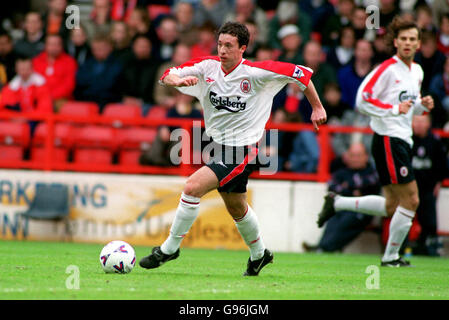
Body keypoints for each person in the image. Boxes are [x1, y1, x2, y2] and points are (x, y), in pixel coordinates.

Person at [139, 21, 327, 276]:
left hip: (243, 149)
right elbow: (168, 74)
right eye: (220, 44)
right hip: (217, 145)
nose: (222, 50)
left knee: (192, 187)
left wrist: (317, 107)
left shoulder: (256, 73)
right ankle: (260, 255)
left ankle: (170, 248)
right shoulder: (207, 67)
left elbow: (301, 74)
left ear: (243, 48)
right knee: (237, 207)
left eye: (229, 45)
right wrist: (176, 81)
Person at [316, 16, 434, 267]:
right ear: (395, 42)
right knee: (411, 200)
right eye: (403, 38)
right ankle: (391, 257)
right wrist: (393, 109)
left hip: (402, 139)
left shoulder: (417, 71)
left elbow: (409, 109)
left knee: (392, 205)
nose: (407, 43)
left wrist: (422, 107)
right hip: (390, 139)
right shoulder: (386, 69)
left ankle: (337, 202)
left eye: (412, 39)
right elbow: (362, 100)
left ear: (418, 43)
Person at [303, 142, 381, 253]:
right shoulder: (341, 172)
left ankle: (325, 248)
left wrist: (346, 187)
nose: (355, 159)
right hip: (343, 208)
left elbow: (371, 186)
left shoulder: (373, 173)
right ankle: (322, 246)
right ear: (347, 157)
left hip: (364, 211)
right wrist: (353, 190)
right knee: (332, 217)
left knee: (348, 220)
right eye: (352, 155)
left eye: (358, 155)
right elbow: (332, 188)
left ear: (366, 157)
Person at [410, 114, 449, 256]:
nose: (419, 125)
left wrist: (438, 183)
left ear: (428, 124)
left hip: (427, 189)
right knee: (403, 219)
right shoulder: (406, 141)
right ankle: (399, 249)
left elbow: (442, 166)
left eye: (422, 121)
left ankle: (429, 249)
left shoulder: (435, 142)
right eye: (416, 121)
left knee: (430, 222)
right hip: (408, 189)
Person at [32, 34, 77, 112]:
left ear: (61, 46)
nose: (54, 47)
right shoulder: (36, 61)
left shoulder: (69, 62)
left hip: (60, 100)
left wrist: (50, 96)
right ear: (45, 46)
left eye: (57, 44)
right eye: (51, 44)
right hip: (39, 99)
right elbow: (32, 82)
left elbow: (69, 85)